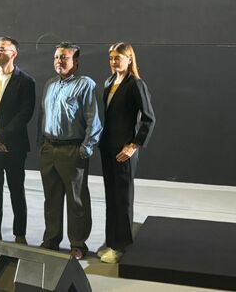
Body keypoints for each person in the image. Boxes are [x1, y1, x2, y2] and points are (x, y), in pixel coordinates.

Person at [38, 42, 102, 259]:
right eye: (56, 57)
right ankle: (51, 240)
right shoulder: (50, 84)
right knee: (51, 199)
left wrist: (85, 149)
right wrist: (42, 144)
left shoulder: (85, 85)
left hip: (72, 150)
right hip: (49, 149)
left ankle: (78, 244)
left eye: (64, 57)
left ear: (75, 62)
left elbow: (94, 120)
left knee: (76, 200)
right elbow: (43, 115)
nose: (59, 61)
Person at [98, 42, 155, 263]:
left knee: (123, 199)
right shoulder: (109, 82)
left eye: (118, 58)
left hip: (124, 150)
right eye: (111, 58)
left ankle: (121, 246)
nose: (113, 61)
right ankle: (110, 241)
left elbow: (149, 119)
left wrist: (133, 145)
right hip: (107, 148)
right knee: (111, 197)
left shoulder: (136, 84)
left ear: (129, 59)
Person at [0, 36, 36, 244]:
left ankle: (20, 234)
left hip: (14, 147)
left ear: (14, 54)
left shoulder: (25, 82)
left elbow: (25, 114)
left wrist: (1, 136)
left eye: (2, 49)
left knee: (16, 191)